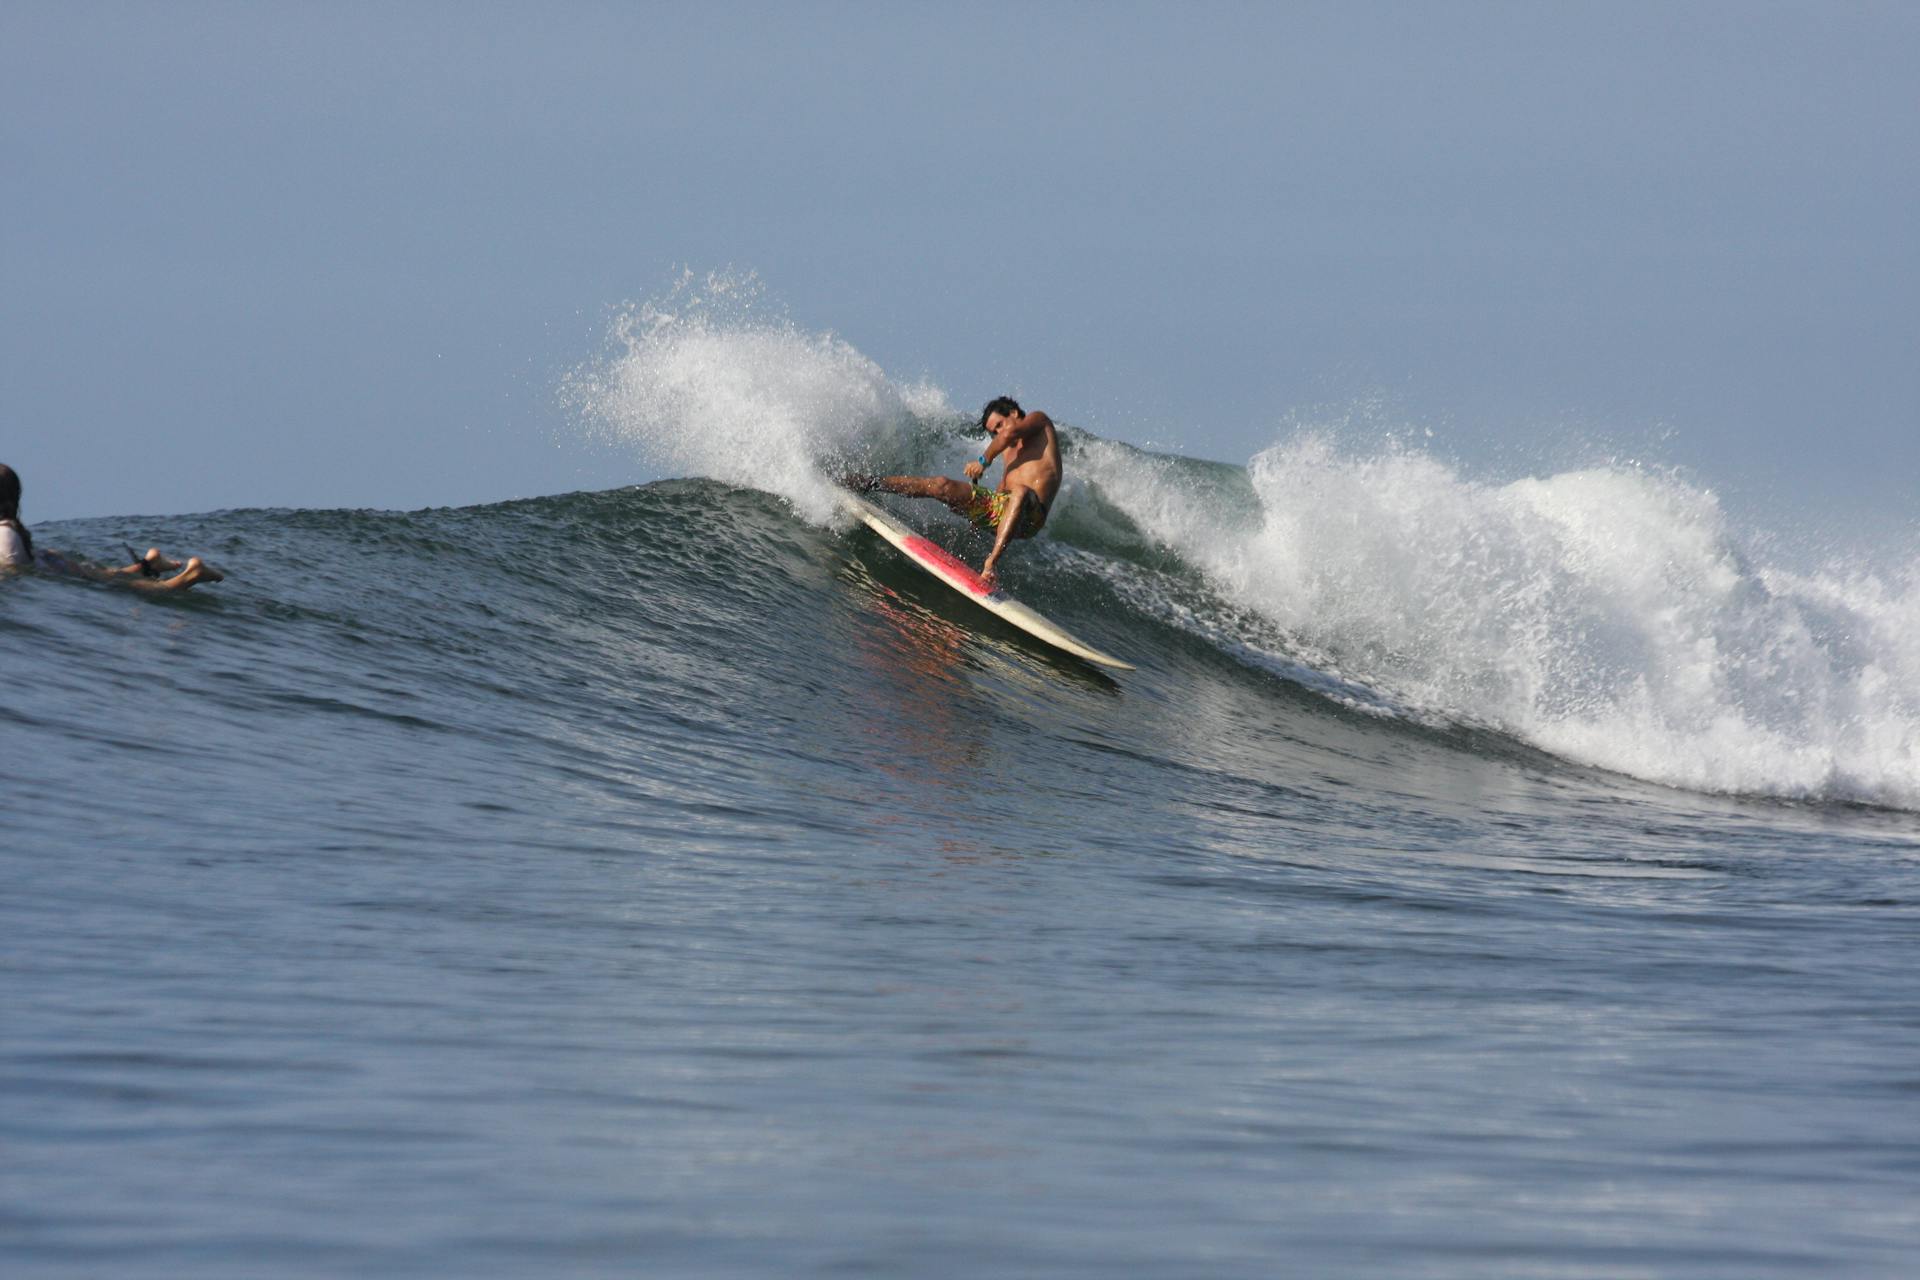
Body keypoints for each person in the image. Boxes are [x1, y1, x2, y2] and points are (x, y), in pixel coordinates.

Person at [851, 396, 1062, 589]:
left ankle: (991, 563)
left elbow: (1010, 434)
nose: (998, 433)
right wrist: (975, 516)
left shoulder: (1040, 421)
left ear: (1014, 413)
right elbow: (1001, 492)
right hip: (1006, 508)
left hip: (1032, 516)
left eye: (999, 425)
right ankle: (870, 483)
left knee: (1021, 491)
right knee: (941, 485)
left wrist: (983, 461)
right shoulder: (1009, 452)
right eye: (993, 432)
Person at [0, 463, 224, 591]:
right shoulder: (8, 528)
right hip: (49, 561)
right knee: (108, 576)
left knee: (135, 590)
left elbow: (15, 570)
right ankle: (149, 564)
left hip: (51, 566)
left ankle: (192, 574)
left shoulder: (5, 533)